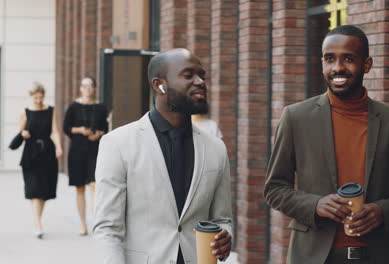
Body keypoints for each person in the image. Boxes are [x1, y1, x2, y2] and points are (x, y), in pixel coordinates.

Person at [264, 25, 389, 264]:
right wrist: (315, 204)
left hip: (376, 256)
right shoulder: (296, 118)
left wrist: (382, 211)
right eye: (330, 59)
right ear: (322, 63)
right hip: (312, 257)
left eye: (348, 59)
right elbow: (274, 189)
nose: (338, 68)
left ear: (367, 65)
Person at [93, 48, 233, 264]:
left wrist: (225, 235)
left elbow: (222, 218)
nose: (200, 82)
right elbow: (107, 229)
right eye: (188, 75)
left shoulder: (216, 149)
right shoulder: (117, 144)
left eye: (201, 76)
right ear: (159, 84)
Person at [63, 77, 108, 236]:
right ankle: (83, 225)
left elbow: (105, 128)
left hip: (95, 150)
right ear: (80, 88)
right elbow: (66, 128)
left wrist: (98, 134)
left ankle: (97, 222)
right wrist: (80, 130)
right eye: (84, 86)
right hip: (77, 151)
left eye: (90, 86)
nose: (87, 88)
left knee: (94, 185)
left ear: (94, 88)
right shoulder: (73, 107)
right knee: (80, 188)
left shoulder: (101, 107)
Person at [18, 83, 62, 239]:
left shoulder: (51, 110)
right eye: (35, 98)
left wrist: (58, 147)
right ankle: (38, 224)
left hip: (47, 153)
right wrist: (23, 134)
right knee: (35, 188)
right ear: (31, 97)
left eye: (41, 97)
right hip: (30, 154)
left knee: (43, 191)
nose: (38, 100)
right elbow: (20, 133)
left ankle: (37, 221)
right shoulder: (25, 112)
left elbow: (55, 131)